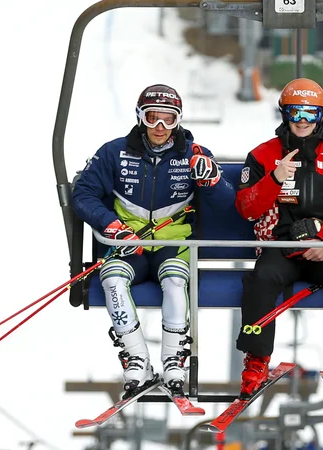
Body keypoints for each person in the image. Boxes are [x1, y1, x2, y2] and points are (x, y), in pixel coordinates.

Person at [72, 84, 235, 396]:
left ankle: (174, 358)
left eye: (168, 120)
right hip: (129, 242)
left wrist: (212, 181)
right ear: (140, 118)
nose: (160, 128)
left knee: (175, 279)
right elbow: (83, 194)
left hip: (174, 244)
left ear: (178, 121)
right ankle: (136, 358)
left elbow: (227, 203)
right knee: (112, 280)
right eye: (152, 118)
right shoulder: (114, 152)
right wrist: (111, 225)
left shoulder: (193, 154)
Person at [234, 78, 323, 398]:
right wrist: (275, 178)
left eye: (311, 114)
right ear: (284, 114)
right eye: (296, 113)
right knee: (261, 279)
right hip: (280, 246)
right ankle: (256, 359)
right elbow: (246, 207)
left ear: (321, 115)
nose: (303, 122)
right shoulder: (263, 155)